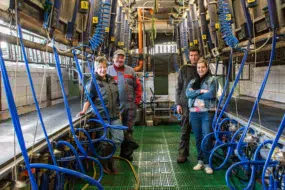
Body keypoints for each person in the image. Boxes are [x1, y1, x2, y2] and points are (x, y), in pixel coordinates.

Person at [79, 56, 123, 174]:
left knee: (118, 138)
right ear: (96, 68)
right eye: (100, 67)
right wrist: (84, 111)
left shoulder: (111, 79)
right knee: (104, 142)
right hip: (101, 116)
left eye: (104, 67)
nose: (102, 69)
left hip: (114, 115)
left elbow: (116, 98)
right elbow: (88, 98)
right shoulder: (93, 82)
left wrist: (119, 113)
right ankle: (105, 164)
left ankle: (107, 159)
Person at [107, 49, 142, 161]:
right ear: (113, 58)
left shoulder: (131, 71)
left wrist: (136, 102)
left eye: (122, 57)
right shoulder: (107, 71)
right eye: (117, 57)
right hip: (114, 108)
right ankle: (110, 155)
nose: (120, 59)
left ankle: (126, 154)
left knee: (129, 128)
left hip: (130, 106)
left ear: (124, 59)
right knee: (117, 130)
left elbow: (138, 87)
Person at [185, 58, 217, 174]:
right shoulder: (193, 81)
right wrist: (200, 91)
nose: (200, 69)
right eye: (198, 67)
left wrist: (196, 94)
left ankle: (208, 163)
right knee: (198, 137)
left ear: (207, 68)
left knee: (207, 137)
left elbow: (212, 94)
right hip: (194, 112)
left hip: (207, 112)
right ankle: (200, 161)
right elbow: (188, 93)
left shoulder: (213, 80)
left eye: (203, 67)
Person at [175, 48, 200, 163]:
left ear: (199, 56)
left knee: (201, 131)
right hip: (185, 104)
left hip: (200, 104)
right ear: (189, 56)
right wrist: (178, 104)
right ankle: (182, 154)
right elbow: (179, 87)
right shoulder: (184, 69)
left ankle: (203, 156)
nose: (193, 57)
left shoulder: (203, 69)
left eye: (195, 55)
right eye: (191, 55)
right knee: (184, 130)